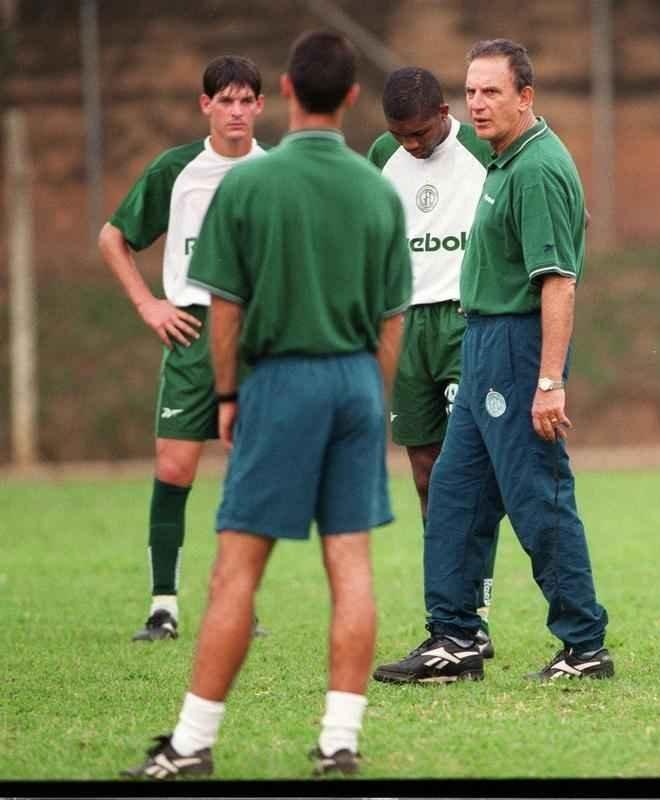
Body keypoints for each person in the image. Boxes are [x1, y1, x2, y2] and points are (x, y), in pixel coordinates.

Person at [123, 30, 411, 779]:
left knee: (235, 574)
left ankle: (190, 743)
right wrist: (366, 393)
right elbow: (393, 318)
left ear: (285, 90)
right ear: (353, 97)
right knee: (351, 568)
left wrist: (227, 394)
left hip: (279, 384)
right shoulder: (378, 188)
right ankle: (339, 741)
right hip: (352, 384)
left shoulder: (250, 184)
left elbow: (223, 307)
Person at [373, 38, 612, 684]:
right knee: (453, 494)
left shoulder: (536, 169)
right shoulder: (506, 162)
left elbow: (558, 282)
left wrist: (549, 380)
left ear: (525, 97)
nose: (478, 104)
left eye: (493, 92)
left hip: (515, 347)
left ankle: (584, 644)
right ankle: (455, 637)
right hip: (480, 344)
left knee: (536, 492)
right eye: (472, 91)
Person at [98, 56, 268, 642]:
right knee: (174, 467)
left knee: (249, 473)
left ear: (261, 108)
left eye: (247, 101)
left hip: (256, 339)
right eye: (226, 101)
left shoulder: (276, 173)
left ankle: (241, 601)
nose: (237, 111)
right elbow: (113, 237)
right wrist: (149, 304)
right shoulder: (178, 170)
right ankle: (163, 605)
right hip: (193, 334)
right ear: (206, 106)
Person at [367, 67, 501, 659]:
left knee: (466, 468)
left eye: (420, 133)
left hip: (463, 317)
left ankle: (477, 612)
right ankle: (449, 605)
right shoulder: (381, 155)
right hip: (405, 321)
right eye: (401, 135)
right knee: (423, 472)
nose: (411, 145)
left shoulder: (482, 145)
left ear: (444, 112)